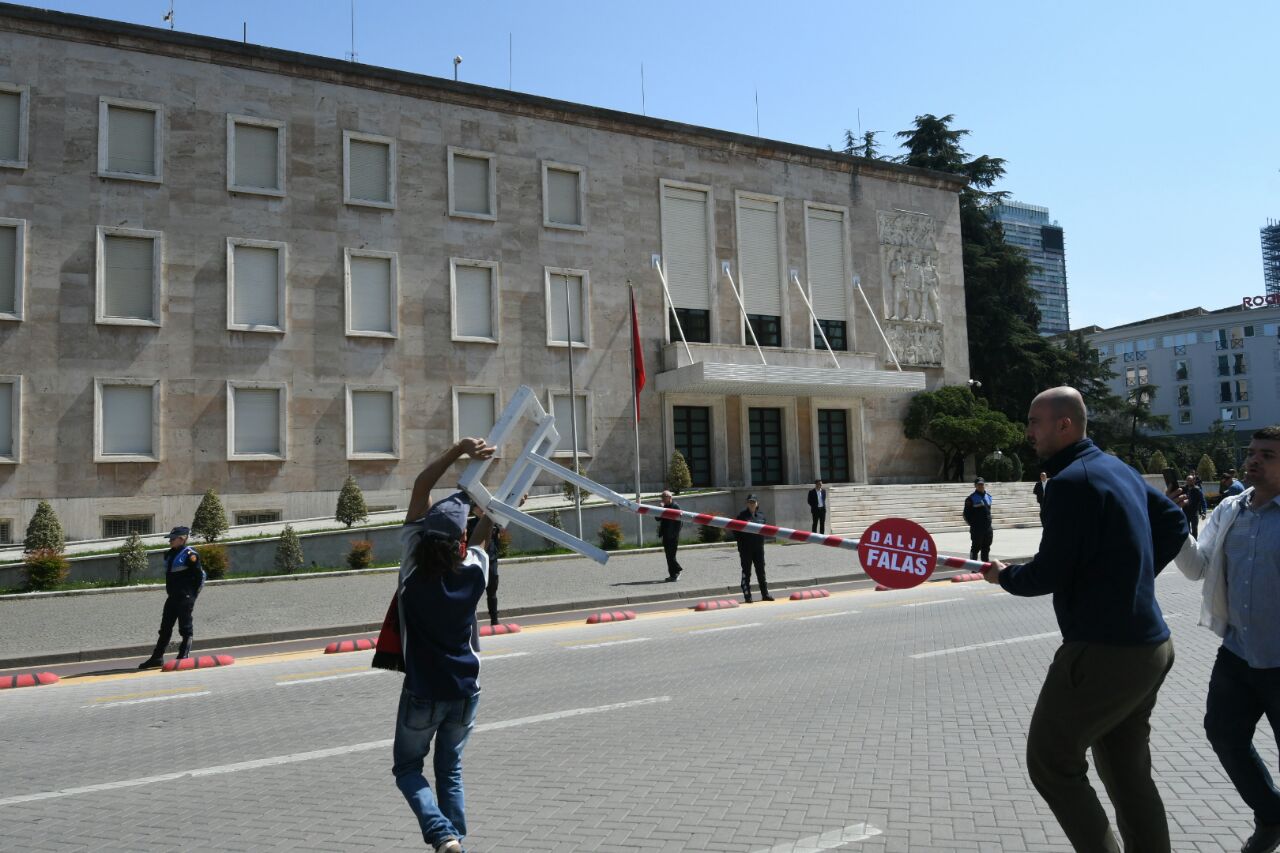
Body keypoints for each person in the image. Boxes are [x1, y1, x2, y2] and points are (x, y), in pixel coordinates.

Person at [982, 386, 1187, 852]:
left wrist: (1005, 577)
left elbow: (1051, 571)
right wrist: (1131, 578)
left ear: (1065, 425)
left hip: (1102, 652)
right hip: (1150, 646)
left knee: (1052, 761)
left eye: (1035, 421)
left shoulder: (1072, 482)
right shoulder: (1116, 468)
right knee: (1127, 773)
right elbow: (1174, 523)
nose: (1027, 430)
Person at [1169, 425, 1280, 853]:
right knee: (1224, 736)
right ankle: (1271, 815)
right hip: (1237, 655)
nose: (1254, 460)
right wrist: (1175, 526)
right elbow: (1198, 568)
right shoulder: (1231, 509)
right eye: (1252, 452)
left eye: (1267, 455)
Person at [390, 437, 496, 853]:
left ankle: (442, 835)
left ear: (424, 535)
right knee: (449, 769)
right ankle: (456, 842)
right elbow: (482, 541)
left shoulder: (414, 567)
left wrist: (457, 451)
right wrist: (496, 512)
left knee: (406, 768)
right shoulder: (474, 572)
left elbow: (420, 487)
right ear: (460, 543)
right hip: (466, 690)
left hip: (424, 690)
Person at [137, 526, 205, 670]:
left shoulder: (190, 555)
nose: (170, 542)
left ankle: (183, 656)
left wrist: (192, 596)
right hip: (172, 596)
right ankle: (157, 657)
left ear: (182, 539)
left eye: (172, 539)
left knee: (185, 628)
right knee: (165, 628)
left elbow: (200, 577)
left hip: (185, 596)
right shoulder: (169, 554)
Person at [466, 508, 502, 626]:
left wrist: (495, 552)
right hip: (476, 563)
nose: (481, 510)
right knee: (472, 593)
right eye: (478, 507)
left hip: (491, 560)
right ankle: (471, 621)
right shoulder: (470, 524)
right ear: (474, 510)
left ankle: (494, 620)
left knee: (492, 591)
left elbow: (497, 540)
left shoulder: (494, 523)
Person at [734, 494, 772, 602]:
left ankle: (765, 594)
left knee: (761, 571)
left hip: (759, 549)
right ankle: (747, 595)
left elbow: (765, 530)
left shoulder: (761, 516)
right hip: (746, 549)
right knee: (747, 571)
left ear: (757, 504)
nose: (752, 504)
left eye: (753, 502)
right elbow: (736, 532)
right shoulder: (741, 516)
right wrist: (742, 545)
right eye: (750, 502)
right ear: (747, 503)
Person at [963, 477, 993, 562]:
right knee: (975, 549)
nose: (981, 486)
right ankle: (973, 569)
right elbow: (966, 515)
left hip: (988, 528)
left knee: (986, 548)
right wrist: (974, 525)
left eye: (982, 484)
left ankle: (985, 569)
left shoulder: (989, 497)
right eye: (979, 484)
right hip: (977, 529)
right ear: (975, 486)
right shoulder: (970, 499)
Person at [657, 490, 684, 581]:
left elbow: (680, 522)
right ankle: (673, 575)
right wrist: (660, 509)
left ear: (670, 497)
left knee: (671, 555)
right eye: (662, 497)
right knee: (668, 556)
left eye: (664, 497)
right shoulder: (664, 506)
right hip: (665, 534)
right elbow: (657, 518)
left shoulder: (675, 506)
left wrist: (674, 534)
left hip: (673, 536)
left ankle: (677, 570)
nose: (663, 499)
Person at [1182, 472, 1206, 537]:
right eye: (1188, 480)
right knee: (1187, 529)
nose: (1189, 482)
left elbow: (1203, 501)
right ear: (1186, 481)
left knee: (1194, 529)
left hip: (1194, 513)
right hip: (1185, 512)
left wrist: (1204, 512)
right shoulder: (1183, 489)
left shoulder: (1197, 490)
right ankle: (1189, 543)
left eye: (1191, 480)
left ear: (1193, 481)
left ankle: (1195, 543)